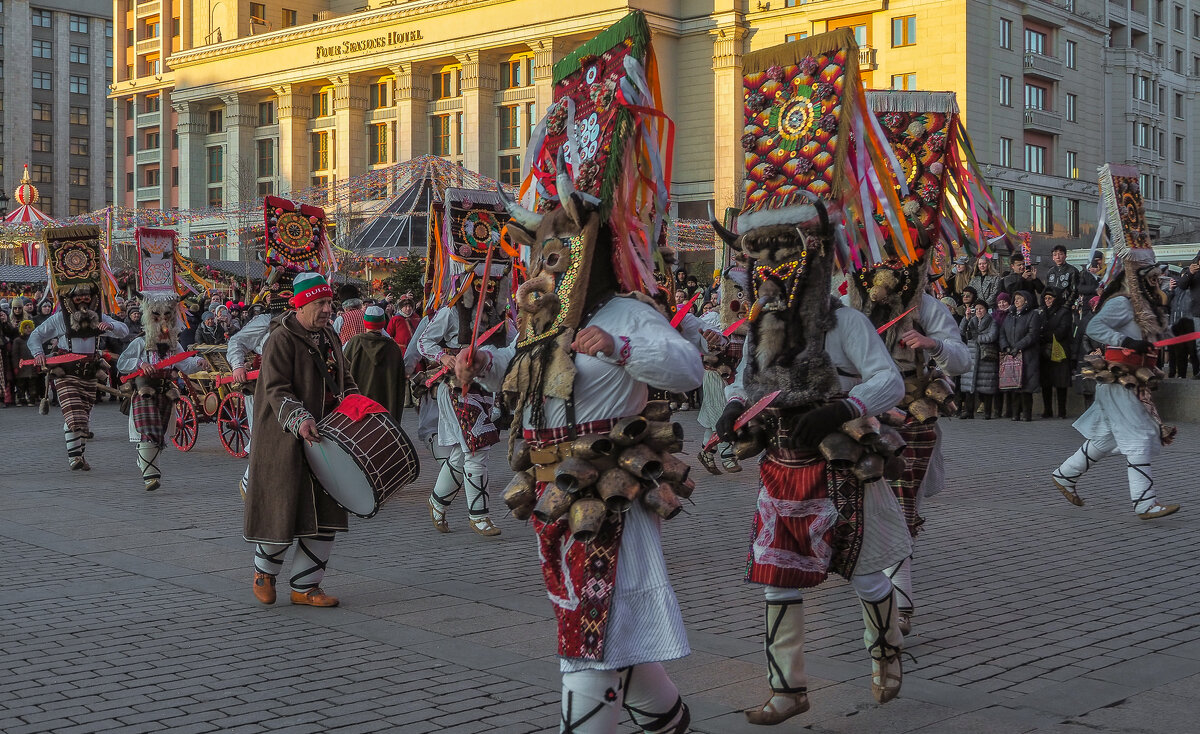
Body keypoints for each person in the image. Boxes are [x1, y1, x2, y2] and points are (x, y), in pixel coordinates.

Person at [244, 272, 357, 608]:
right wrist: (300, 417)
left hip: (326, 437)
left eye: (329, 302)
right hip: (285, 439)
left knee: (327, 511)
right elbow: (277, 388)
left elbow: (344, 376)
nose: (327, 308)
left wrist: (355, 403)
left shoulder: (329, 335)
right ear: (301, 303)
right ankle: (264, 572)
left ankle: (306, 587)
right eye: (320, 302)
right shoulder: (280, 338)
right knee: (284, 510)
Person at [417, 263, 510, 538]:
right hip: (457, 387)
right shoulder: (450, 313)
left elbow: (517, 344)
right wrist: (444, 357)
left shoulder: (500, 317)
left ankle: (437, 502)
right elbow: (424, 342)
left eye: (492, 283)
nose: (487, 288)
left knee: (462, 452)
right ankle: (479, 515)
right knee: (476, 450)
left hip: (485, 390)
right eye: (481, 282)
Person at [29, 227, 131, 470]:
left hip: (90, 370)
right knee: (73, 412)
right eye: (78, 296)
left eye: (87, 295)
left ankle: (78, 455)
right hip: (65, 370)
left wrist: (110, 327)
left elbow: (125, 331)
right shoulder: (59, 319)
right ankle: (74, 458)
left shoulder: (100, 315)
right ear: (69, 298)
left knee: (83, 414)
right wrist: (39, 354)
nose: (84, 299)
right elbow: (35, 336)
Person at [117, 295, 205, 491]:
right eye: (157, 316)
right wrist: (141, 363)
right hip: (144, 391)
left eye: (167, 316)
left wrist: (197, 362)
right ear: (150, 317)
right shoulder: (140, 343)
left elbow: (186, 364)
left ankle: (145, 462)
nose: (163, 321)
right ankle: (151, 477)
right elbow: (122, 363)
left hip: (166, 392)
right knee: (149, 430)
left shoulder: (174, 344)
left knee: (160, 434)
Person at [228, 272, 296, 499]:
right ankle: (250, 481)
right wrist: (238, 366)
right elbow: (236, 341)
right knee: (266, 434)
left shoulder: (306, 323)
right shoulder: (265, 322)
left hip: (294, 384)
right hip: (263, 386)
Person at [342, 305, 405, 423]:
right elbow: (400, 380)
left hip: (359, 406)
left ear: (365, 323)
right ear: (382, 323)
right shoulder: (393, 347)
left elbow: (342, 368)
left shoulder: (355, 342)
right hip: (385, 409)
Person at [998, 290, 1043, 421]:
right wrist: (1006, 346)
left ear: (1026, 300)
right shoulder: (1010, 316)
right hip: (1012, 355)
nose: (1016, 300)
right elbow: (1002, 333)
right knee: (1014, 385)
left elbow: (1032, 334)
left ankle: (1027, 414)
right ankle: (1015, 413)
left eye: (1019, 298)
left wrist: (1018, 346)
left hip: (1027, 355)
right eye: (1015, 298)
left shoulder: (1032, 315)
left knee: (1026, 386)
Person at [960, 302, 1000, 418]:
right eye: (976, 309)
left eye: (981, 309)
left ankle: (988, 412)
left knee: (986, 386)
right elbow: (961, 331)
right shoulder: (971, 321)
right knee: (969, 386)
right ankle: (969, 411)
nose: (978, 311)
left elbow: (992, 336)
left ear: (986, 310)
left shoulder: (992, 322)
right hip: (971, 356)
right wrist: (966, 318)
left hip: (985, 357)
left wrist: (978, 338)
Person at [1038, 291, 1074, 418]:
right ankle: (1047, 409)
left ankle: (1061, 410)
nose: (1047, 300)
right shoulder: (1041, 312)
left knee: (1061, 382)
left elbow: (1063, 330)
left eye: (1050, 298)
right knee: (1045, 383)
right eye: (1045, 298)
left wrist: (1046, 335)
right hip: (1044, 351)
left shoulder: (1063, 312)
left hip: (1060, 350)